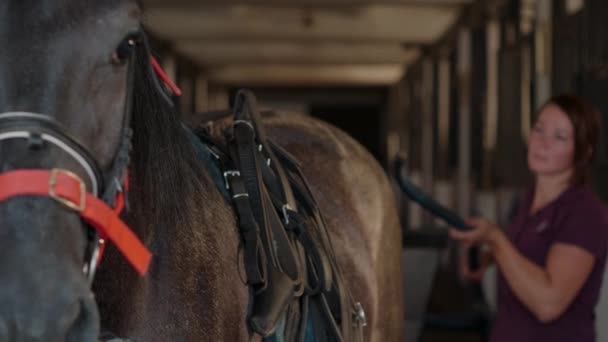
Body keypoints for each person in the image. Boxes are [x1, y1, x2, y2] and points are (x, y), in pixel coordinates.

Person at [450, 94, 608, 342]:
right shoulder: (528, 199)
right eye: (538, 129)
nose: (542, 143)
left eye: (559, 137)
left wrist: (496, 240)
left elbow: (548, 303)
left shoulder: (585, 213)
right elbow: (525, 253)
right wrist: (485, 256)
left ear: (584, 152)